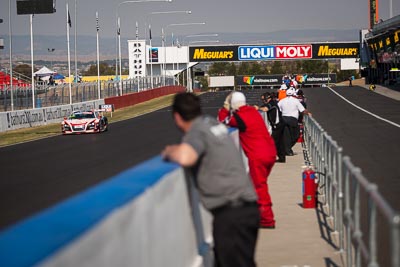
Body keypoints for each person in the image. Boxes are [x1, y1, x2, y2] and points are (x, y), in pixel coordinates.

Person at [162, 92, 260, 267]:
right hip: (248, 207)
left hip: (232, 214)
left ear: (177, 116)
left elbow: (186, 157)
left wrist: (169, 151)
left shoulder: (197, 131)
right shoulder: (212, 124)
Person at [218, 91, 277, 229]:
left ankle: (267, 220)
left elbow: (223, 120)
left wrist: (224, 109)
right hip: (270, 152)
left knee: (259, 187)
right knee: (256, 186)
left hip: (258, 156)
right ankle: (256, 213)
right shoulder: (253, 112)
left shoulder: (241, 116)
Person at [278, 87, 312, 156]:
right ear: (293, 94)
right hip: (293, 120)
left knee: (286, 136)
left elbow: (277, 109)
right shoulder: (296, 101)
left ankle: (286, 150)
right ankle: (288, 150)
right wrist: (308, 113)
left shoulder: (281, 101)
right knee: (296, 135)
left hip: (283, 119)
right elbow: (303, 110)